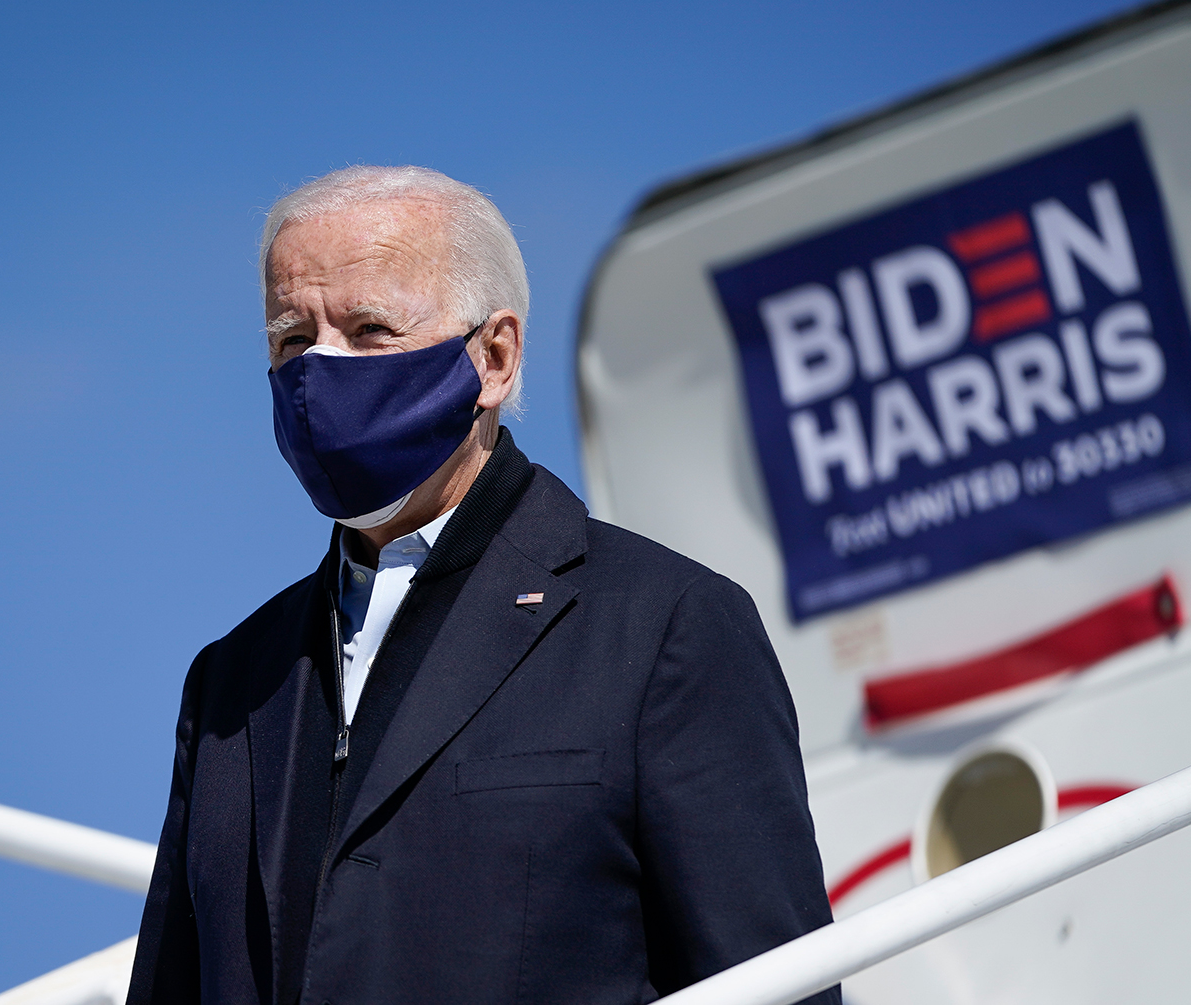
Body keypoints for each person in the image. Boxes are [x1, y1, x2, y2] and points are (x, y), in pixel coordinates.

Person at [126, 166, 839, 1005]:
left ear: (493, 357)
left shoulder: (661, 626)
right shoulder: (232, 683)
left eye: (369, 328)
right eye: (291, 338)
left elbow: (772, 982)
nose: (319, 371)